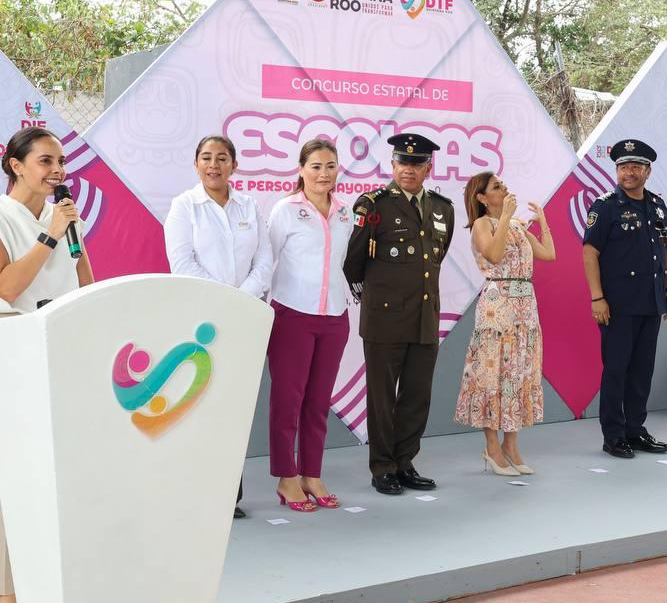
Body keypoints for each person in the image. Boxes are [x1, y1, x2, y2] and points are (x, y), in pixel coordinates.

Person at [0, 126, 95, 603]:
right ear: (16, 166)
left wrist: (66, 233)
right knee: (8, 475)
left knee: (62, 470)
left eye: (61, 161)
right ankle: (5, 594)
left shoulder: (65, 219)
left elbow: (86, 286)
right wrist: (50, 235)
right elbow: (7, 285)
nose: (57, 170)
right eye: (45, 160)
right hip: (13, 342)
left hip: (62, 343)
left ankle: (55, 582)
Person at [165, 135, 273, 518]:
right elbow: (182, 264)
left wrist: (241, 300)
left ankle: (229, 496)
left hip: (243, 321)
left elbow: (264, 261)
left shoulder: (249, 206)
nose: (214, 165)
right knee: (200, 408)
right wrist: (226, 301)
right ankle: (198, 494)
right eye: (207, 158)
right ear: (196, 164)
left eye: (222, 158)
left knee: (233, 409)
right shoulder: (184, 207)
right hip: (201, 323)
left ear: (234, 165)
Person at [344, 132, 455, 495]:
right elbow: (353, 262)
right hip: (385, 319)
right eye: (403, 162)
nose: (409, 169)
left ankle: (405, 462)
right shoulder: (373, 205)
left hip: (425, 317)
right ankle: (383, 467)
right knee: (381, 399)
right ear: (392, 165)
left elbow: (435, 257)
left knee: (416, 397)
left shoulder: (442, 208)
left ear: (428, 168)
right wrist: (379, 296)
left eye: (417, 163)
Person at [265, 139, 353, 511]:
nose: (323, 173)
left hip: (334, 318)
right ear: (301, 169)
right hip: (292, 316)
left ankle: (311, 474)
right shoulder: (285, 210)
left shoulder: (346, 212)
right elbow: (265, 261)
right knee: (288, 401)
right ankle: (287, 477)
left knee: (318, 403)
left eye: (330, 166)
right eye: (315, 166)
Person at [581, 139, 667, 459]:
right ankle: (613, 435)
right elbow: (590, 252)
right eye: (624, 167)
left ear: (648, 171)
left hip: (651, 302)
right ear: (616, 171)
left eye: (636, 167)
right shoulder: (605, 206)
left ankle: (636, 430)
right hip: (617, 305)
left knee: (642, 371)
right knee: (616, 370)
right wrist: (597, 298)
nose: (629, 172)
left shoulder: (657, 205)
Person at [453, 172, 556, 475]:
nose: (504, 188)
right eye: (496, 187)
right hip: (497, 306)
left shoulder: (517, 226)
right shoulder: (482, 225)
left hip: (525, 307)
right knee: (493, 373)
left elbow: (549, 254)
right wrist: (506, 216)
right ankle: (492, 447)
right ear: (482, 197)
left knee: (519, 372)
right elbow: (495, 256)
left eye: (503, 184)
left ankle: (511, 444)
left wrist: (543, 222)